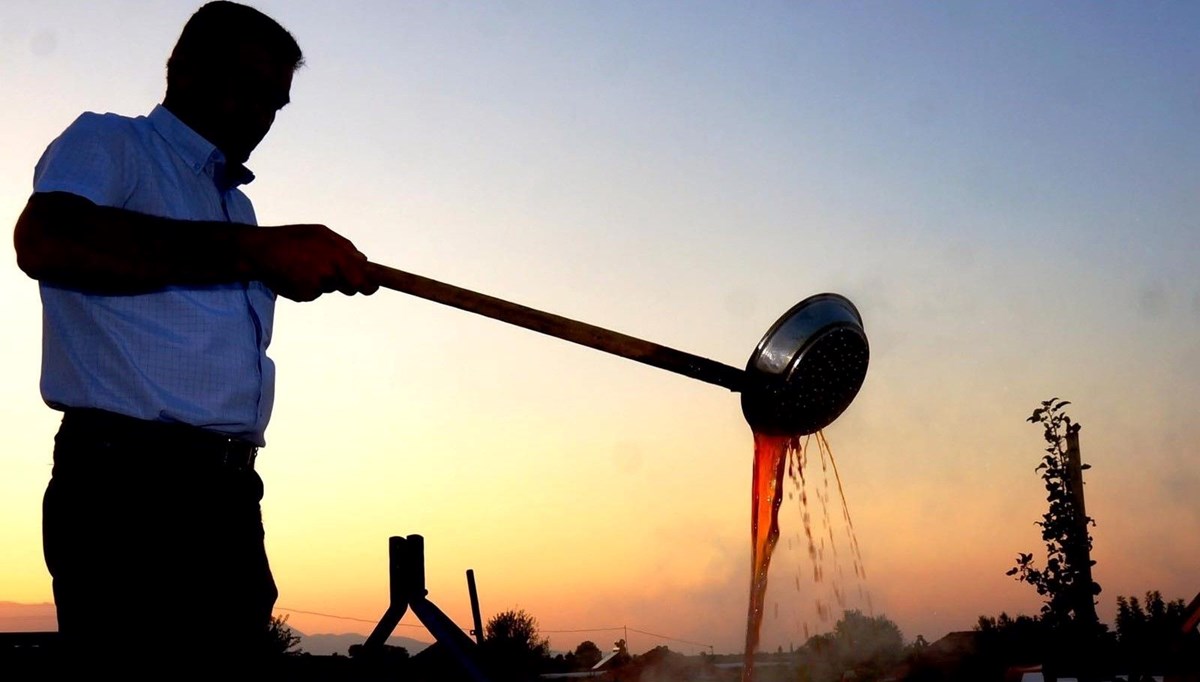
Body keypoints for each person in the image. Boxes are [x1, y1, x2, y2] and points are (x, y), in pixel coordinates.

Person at [12, 1, 377, 674]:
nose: (261, 116)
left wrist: (272, 261)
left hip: (228, 495)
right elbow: (49, 239)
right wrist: (256, 253)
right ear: (184, 69)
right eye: (250, 87)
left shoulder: (234, 204)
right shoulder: (111, 142)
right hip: (128, 492)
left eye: (275, 102)